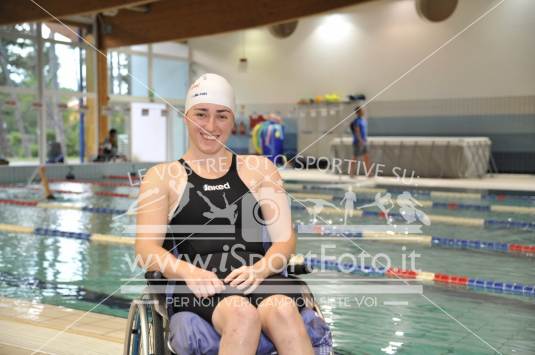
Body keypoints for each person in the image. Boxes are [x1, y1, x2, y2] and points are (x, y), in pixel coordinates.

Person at [135, 73, 313, 355]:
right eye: (201, 114)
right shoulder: (163, 177)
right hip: (198, 284)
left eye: (222, 116)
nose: (210, 125)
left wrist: (262, 267)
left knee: (284, 312)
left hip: (259, 276)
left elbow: (285, 240)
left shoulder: (260, 169)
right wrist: (188, 272)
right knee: (242, 315)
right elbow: (146, 249)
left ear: (233, 121)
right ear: (186, 116)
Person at [349, 105, 371, 177]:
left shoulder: (363, 120)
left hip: (364, 141)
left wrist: (364, 141)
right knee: (355, 157)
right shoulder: (357, 121)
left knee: (366, 157)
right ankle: (351, 173)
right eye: (362, 110)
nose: (363, 111)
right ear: (358, 112)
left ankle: (368, 173)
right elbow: (357, 131)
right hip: (358, 142)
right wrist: (360, 140)